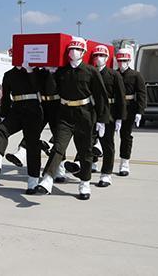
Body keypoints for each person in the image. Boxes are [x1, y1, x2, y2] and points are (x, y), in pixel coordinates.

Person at [36, 37, 109, 200]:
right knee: (58, 147)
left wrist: (102, 120)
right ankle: (47, 180)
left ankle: (85, 183)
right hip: (65, 114)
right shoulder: (61, 71)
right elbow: (48, 89)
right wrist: (47, 71)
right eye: (70, 49)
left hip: (85, 114)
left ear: (83, 52)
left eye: (76, 49)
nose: (73, 52)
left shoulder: (91, 71)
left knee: (85, 151)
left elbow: (101, 96)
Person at [0, 58, 44, 194]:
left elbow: (40, 87)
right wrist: (3, 115)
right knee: (1, 129)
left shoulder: (36, 71)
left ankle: (33, 182)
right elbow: (6, 98)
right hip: (17, 110)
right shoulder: (9, 74)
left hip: (33, 110)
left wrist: (31, 71)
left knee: (32, 146)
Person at [82, 45, 126, 187]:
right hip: (92, 111)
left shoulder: (114, 75)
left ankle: (106, 174)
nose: (98, 58)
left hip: (110, 113)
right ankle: (89, 168)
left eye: (101, 55)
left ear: (107, 58)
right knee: (88, 142)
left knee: (107, 143)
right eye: (96, 55)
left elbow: (121, 97)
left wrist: (120, 117)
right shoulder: (90, 72)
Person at [116, 48, 147, 177]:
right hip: (115, 108)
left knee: (126, 136)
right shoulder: (114, 74)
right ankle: (96, 162)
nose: (122, 63)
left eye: (124, 60)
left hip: (129, 109)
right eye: (119, 60)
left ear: (129, 60)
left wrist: (139, 111)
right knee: (105, 137)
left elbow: (141, 94)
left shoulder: (136, 75)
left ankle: (124, 163)